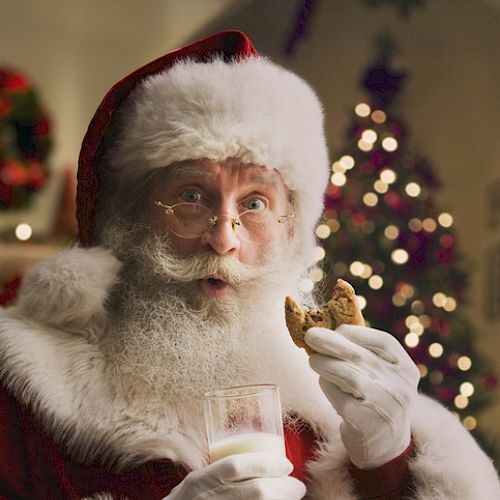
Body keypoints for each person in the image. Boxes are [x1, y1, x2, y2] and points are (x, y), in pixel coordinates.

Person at [0, 30, 498, 500]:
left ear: (289, 228)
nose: (223, 238)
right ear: (124, 219)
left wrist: (388, 461)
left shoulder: (334, 395)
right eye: (191, 196)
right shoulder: (25, 385)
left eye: (255, 202)